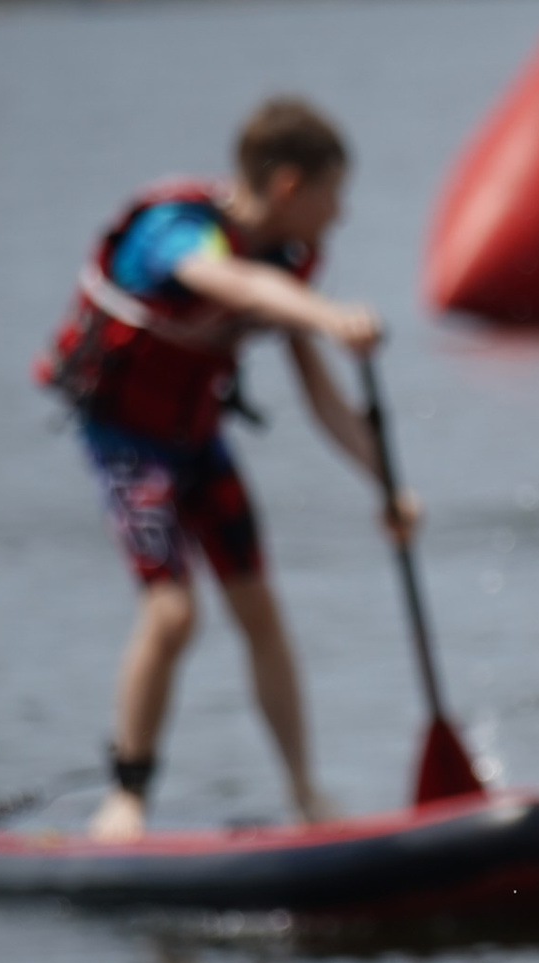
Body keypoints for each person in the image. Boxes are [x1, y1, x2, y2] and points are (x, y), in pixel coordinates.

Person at [37, 95, 415, 841]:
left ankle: (307, 796)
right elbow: (229, 285)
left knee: (259, 610)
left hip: (199, 442)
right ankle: (127, 797)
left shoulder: (288, 262)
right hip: (127, 443)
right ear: (287, 188)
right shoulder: (175, 232)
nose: (338, 216)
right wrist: (330, 314)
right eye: (332, 195)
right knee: (173, 614)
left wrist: (389, 486)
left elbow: (322, 396)